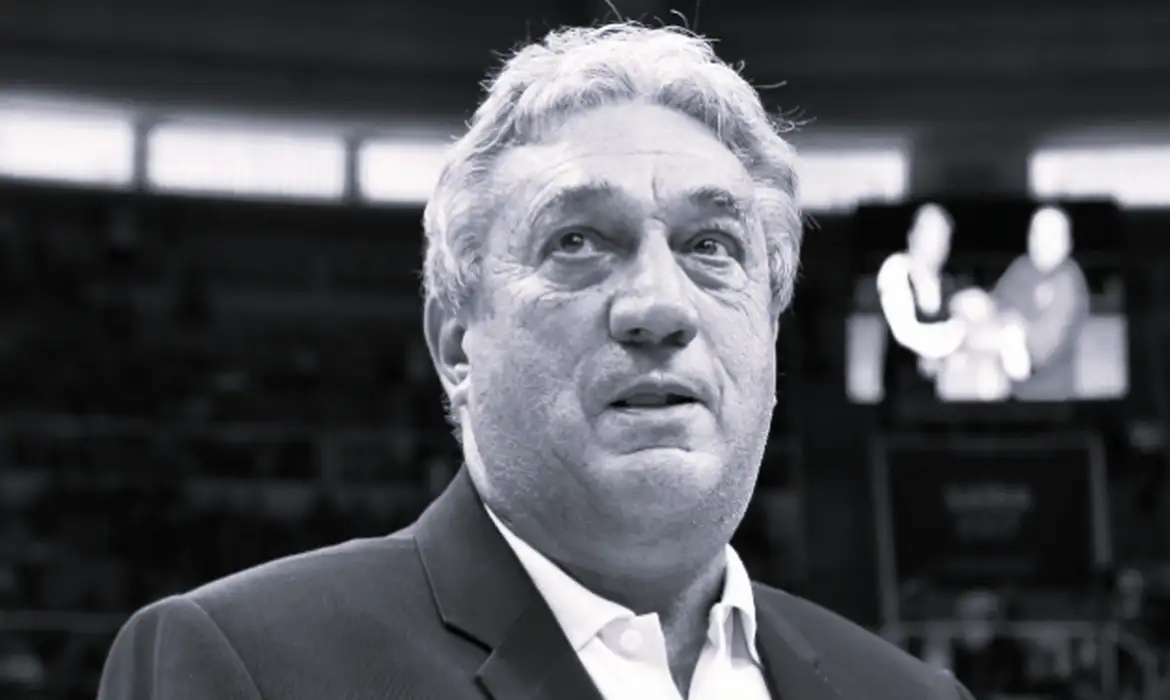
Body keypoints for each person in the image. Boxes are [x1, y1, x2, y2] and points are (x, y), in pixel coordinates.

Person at [97, 23, 975, 700]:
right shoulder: (243, 665)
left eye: (711, 245)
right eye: (578, 242)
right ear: (457, 346)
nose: (659, 306)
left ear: (771, 338)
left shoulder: (914, 696)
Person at [992, 205, 1090, 401]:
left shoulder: (1069, 281)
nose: (1041, 243)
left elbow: (1040, 348)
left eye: (1051, 236)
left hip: (1050, 396)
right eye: (1036, 234)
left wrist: (1014, 328)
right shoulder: (1020, 267)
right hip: (1010, 390)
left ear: (1067, 243)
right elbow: (994, 306)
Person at [876, 203, 966, 401]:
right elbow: (905, 333)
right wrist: (942, 351)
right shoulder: (895, 270)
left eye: (942, 237)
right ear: (912, 237)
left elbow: (963, 331)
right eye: (930, 234)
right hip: (902, 398)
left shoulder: (950, 284)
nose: (937, 244)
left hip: (943, 398)